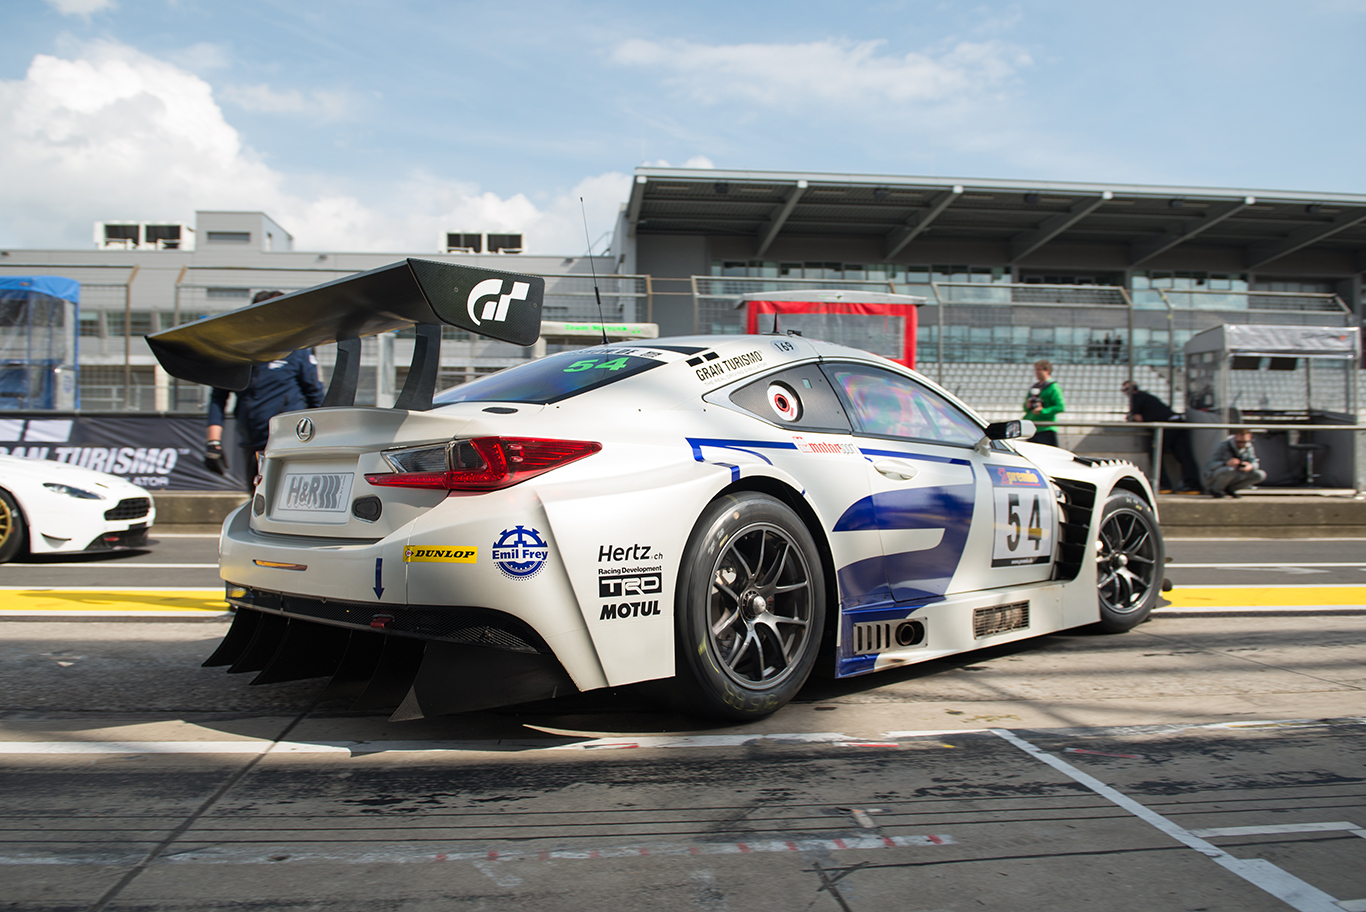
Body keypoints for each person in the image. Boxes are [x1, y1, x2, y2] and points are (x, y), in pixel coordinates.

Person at [205, 290, 325, 491]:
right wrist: (213, 443)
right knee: (257, 498)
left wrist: (323, 438)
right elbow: (218, 397)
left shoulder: (297, 349)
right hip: (253, 441)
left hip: (290, 441)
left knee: (289, 496)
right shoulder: (237, 352)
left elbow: (316, 396)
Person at [1122, 380, 1200, 493]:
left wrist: (1131, 418)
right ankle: (1193, 486)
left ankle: (1164, 485)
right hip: (1177, 423)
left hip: (1166, 427)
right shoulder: (1147, 397)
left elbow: (1139, 418)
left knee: (1156, 454)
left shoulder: (1136, 397)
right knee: (1183, 455)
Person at [1204, 429, 1266, 499]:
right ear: (1235, 437)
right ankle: (1216, 490)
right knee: (1230, 470)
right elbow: (1210, 465)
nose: (1242, 444)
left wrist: (1250, 466)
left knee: (1260, 474)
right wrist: (1226, 463)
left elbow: (1254, 461)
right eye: (1239, 442)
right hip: (1220, 474)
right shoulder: (1224, 445)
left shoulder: (1248, 447)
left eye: (1245, 442)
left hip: (1237, 473)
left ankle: (1231, 489)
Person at [1023, 359, 1065, 447]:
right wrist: (1028, 405)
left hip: (1046, 428)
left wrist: (1042, 411)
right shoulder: (1035, 387)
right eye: (1036, 370)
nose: (1037, 372)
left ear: (1048, 371)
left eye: (1039, 370)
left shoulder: (1053, 387)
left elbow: (1060, 407)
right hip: (1033, 427)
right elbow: (1025, 406)